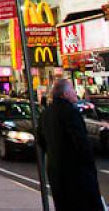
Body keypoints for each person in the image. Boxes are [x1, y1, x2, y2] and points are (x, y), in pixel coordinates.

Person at [37, 79, 103, 211]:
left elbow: (41, 140)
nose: (75, 93)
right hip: (75, 175)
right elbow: (80, 142)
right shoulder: (70, 112)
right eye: (73, 90)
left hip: (56, 173)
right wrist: (89, 164)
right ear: (65, 94)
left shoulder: (45, 113)